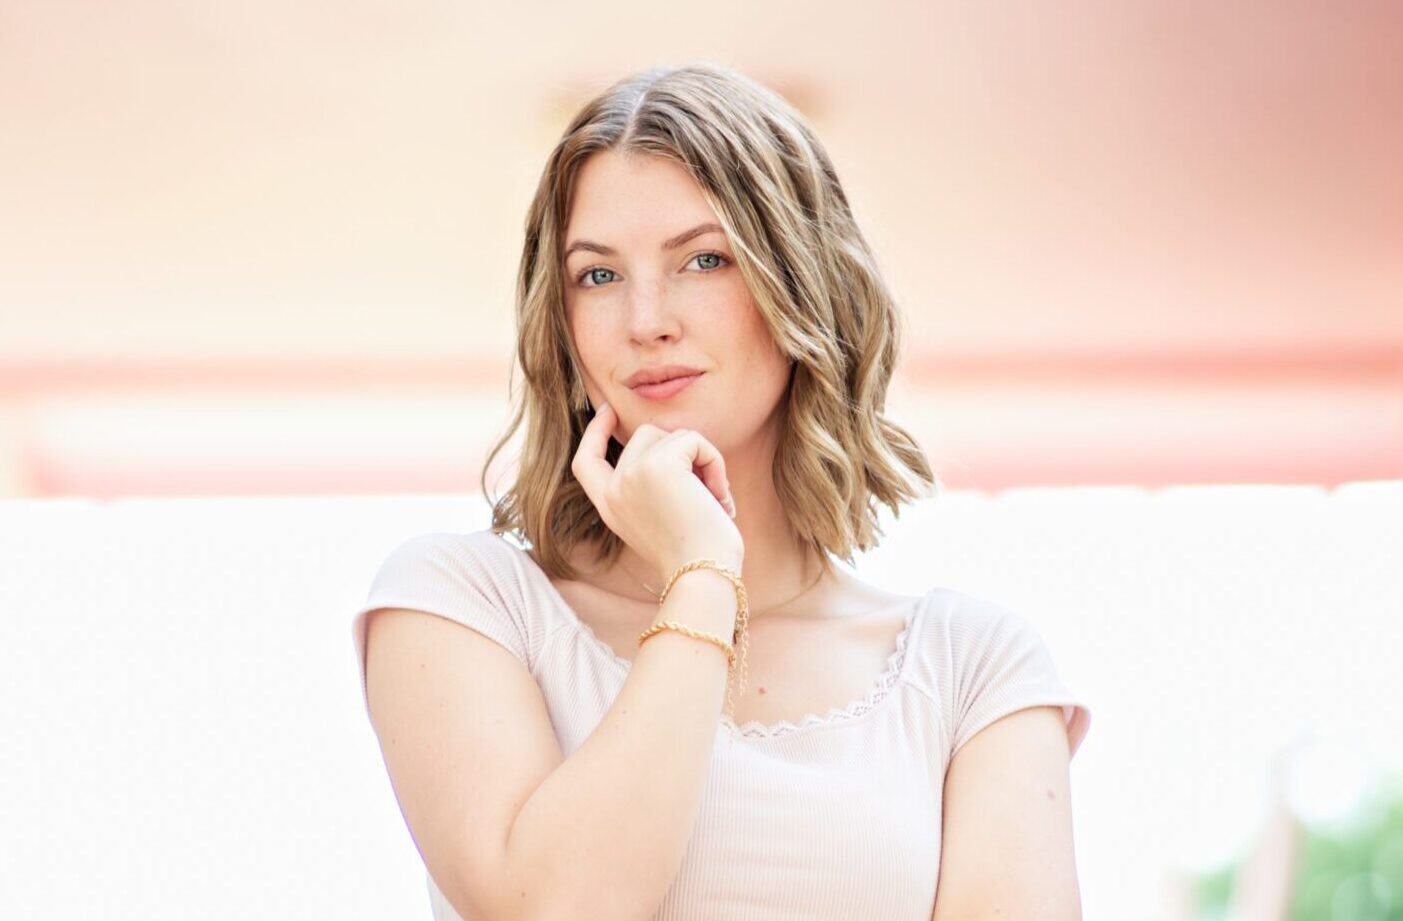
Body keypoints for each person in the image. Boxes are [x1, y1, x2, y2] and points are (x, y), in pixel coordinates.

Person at [350, 62, 1092, 921]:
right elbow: (554, 907)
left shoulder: (972, 669)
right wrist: (702, 575)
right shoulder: (463, 604)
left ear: (803, 284)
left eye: (703, 259)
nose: (645, 319)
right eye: (597, 275)